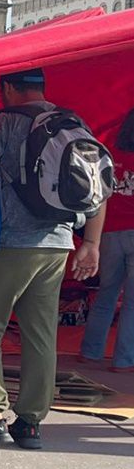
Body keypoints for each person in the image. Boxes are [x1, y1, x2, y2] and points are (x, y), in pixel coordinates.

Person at [0, 68, 104, 450]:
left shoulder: (5, 123)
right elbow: (98, 184)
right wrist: (92, 244)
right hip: (58, 245)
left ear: (8, 88)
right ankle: (31, 422)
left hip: (10, 244)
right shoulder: (72, 122)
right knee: (40, 333)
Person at [80, 108, 134, 372]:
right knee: (133, 301)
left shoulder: (111, 152)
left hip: (110, 232)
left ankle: (90, 353)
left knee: (106, 294)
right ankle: (124, 361)